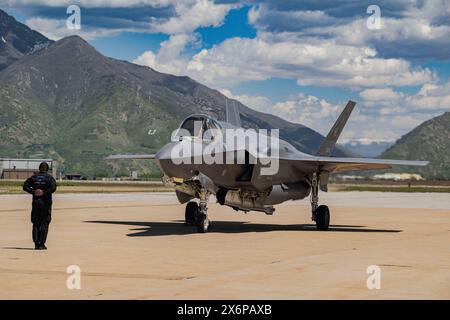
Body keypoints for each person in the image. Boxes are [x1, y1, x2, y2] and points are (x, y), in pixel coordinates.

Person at [23, 162, 57, 250]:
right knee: (45, 223)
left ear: (39, 168)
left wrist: (34, 192)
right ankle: (42, 244)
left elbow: (25, 186)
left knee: (36, 223)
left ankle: (36, 244)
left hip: (36, 203)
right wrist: (44, 193)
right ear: (47, 169)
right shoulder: (49, 178)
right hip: (46, 203)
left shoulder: (33, 177)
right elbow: (53, 188)